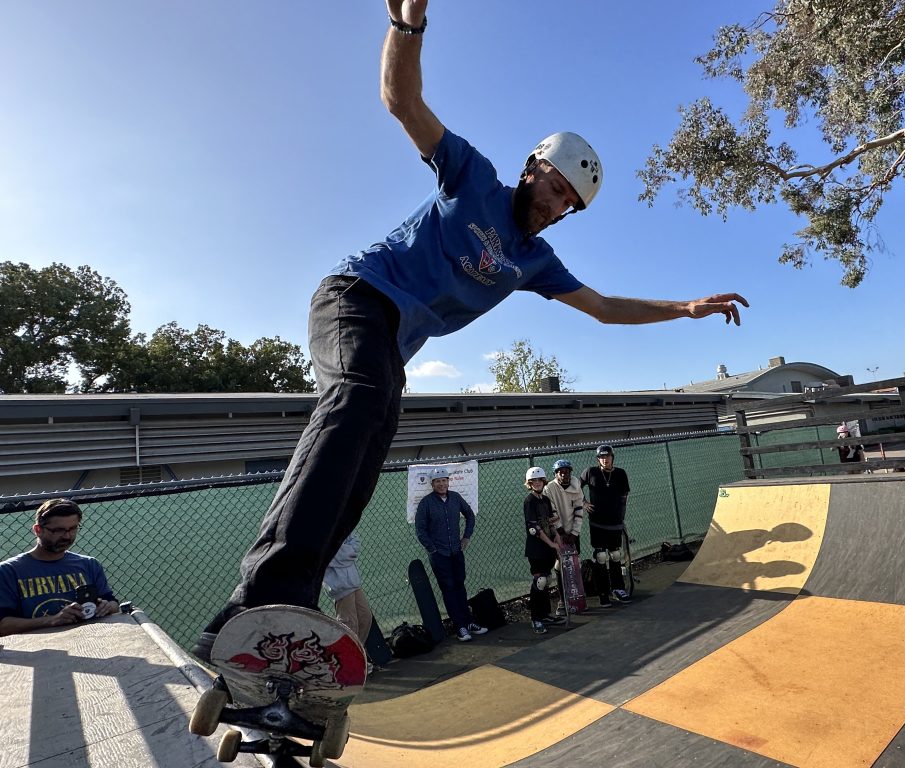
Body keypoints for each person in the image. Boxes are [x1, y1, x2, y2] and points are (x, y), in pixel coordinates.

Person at [192, 0, 747, 659]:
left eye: (572, 205)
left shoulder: (534, 259)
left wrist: (682, 309)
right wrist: (407, 26)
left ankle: (259, 622)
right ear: (534, 167)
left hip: (392, 347)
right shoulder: (473, 176)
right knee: (357, 402)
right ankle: (264, 598)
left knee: (362, 468)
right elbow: (402, 100)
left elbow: (601, 307)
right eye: (559, 190)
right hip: (356, 299)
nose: (559, 208)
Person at [0, 499, 119, 636]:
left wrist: (107, 607)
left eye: (73, 528)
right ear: (38, 530)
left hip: (89, 642)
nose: (67, 536)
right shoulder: (8, 571)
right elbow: (3, 626)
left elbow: (113, 603)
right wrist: (52, 620)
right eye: (58, 530)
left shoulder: (90, 565)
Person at [414, 467, 487, 643]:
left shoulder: (455, 497)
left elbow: (470, 515)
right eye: (438, 481)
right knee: (448, 589)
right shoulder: (426, 503)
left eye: (444, 480)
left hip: (456, 551)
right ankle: (459, 626)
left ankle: (468, 622)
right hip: (439, 555)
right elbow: (420, 530)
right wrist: (432, 549)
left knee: (460, 586)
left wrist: (466, 537)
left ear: (448, 481)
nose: (442, 484)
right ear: (432, 484)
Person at [579, 445, 631, 607]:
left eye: (607, 456)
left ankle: (618, 588)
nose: (605, 459)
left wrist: (621, 516)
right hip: (597, 522)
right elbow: (576, 487)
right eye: (602, 457)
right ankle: (603, 592)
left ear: (612, 457)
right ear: (598, 459)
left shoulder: (620, 473)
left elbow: (624, 496)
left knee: (615, 554)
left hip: (615, 521)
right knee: (600, 557)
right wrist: (583, 502)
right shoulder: (591, 472)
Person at [544, 458, 586, 616]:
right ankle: (563, 601)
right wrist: (561, 532)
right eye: (560, 472)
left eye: (567, 472)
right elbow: (552, 512)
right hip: (557, 533)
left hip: (572, 532)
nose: (564, 475)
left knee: (575, 564)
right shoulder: (550, 488)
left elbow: (579, 510)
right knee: (559, 565)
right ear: (555, 474)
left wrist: (574, 533)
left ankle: (577, 598)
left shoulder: (576, 485)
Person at [523, 467, 562, 634]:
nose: (537, 483)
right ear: (529, 484)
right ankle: (536, 619)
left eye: (539, 480)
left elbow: (549, 522)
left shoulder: (545, 500)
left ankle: (545, 614)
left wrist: (557, 537)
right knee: (539, 582)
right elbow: (534, 528)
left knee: (547, 579)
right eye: (534, 481)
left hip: (548, 546)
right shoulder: (529, 501)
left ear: (543, 481)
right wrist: (551, 543)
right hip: (537, 548)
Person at [323, 531, 371, 645]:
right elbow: (327, 552)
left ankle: (357, 653)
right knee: (349, 623)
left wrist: (346, 552)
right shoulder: (319, 526)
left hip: (353, 580)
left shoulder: (341, 519)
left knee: (365, 617)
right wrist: (348, 553)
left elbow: (354, 540)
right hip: (339, 583)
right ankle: (345, 657)